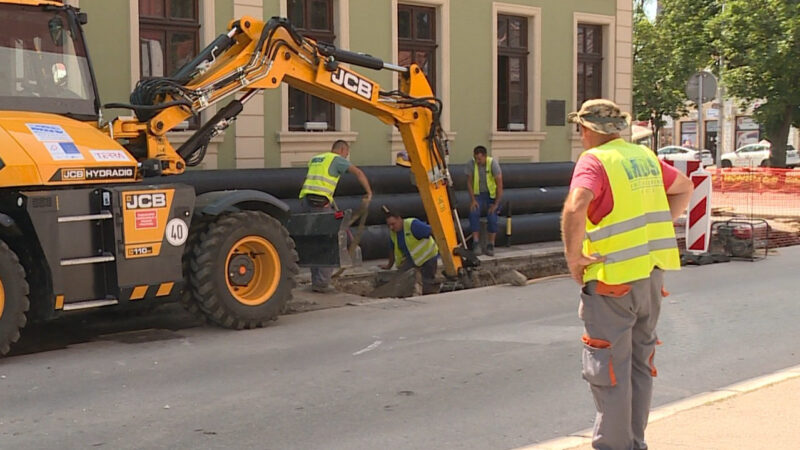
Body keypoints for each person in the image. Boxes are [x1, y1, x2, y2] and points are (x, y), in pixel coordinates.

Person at [561, 99, 693, 450]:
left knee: (608, 370)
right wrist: (659, 224)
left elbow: (577, 204)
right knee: (639, 365)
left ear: (587, 130)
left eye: (580, 129)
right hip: (650, 278)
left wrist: (574, 258)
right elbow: (683, 187)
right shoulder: (644, 158)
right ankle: (634, 443)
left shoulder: (595, 161)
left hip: (612, 281)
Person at [299, 140, 372, 293]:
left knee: (314, 241)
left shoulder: (316, 158)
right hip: (320, 203)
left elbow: (317, 181)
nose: (346, 157)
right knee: (330, 241)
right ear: (342, 149)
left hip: (306, 202)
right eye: (346, 153)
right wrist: (369, 192)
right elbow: (358, 172)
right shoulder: (336, 160)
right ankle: (322, 283)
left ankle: (316, 281)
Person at [380, 206, 440, 295]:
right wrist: (389, 265)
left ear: (399, 219)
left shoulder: (413, 225)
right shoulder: (393, 233)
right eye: (389, 225)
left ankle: (431, 292)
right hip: (412, 259)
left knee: (427, 281)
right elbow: (392, 249)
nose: (391, 227)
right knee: (401, 278)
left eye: (393, 224)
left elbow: (433, 231)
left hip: (428, 256)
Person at [466, 145, 503, 256]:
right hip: (478, 195)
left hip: (491, 196)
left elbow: (500, 185)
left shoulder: (493, 164)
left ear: (485, 156)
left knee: (492, 218)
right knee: (473, 213)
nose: (477, 161)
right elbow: (469, 182)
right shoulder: (471, 164)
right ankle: (476, 243)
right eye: (476, 158)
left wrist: (496, 204)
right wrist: (473, 200)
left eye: (480, 159)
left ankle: (491, 244)